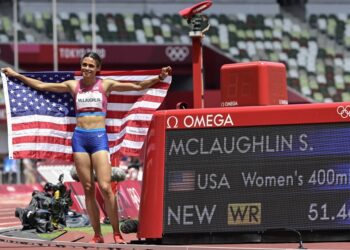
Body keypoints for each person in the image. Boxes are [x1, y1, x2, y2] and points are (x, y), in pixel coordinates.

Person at [1, 52, 172, 244]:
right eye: (84, 65)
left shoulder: (105, 84)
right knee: (88, 188)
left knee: (106, 188)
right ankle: (97, 235)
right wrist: (17, 76)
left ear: (98, 68)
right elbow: (41, 86)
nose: (87, 68)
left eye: (91, 65)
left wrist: (159, 77)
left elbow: (137, 86)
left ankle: (117, 233)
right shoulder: (73, 85)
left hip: (99, 138)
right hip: (80, 139)